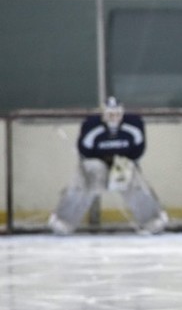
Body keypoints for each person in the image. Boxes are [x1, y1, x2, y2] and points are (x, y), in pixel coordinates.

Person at [48, 96, 169, 235]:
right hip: (95, 164)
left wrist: (122, 164)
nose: (113, 118)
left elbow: (138, 151)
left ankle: (152, 221)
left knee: (135, 184)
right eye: (110, 114)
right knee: (82, 184)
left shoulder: (134, 125)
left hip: (122, 163)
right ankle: (64, 222)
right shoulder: (91, 125)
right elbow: (85, 153)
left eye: (117, 114)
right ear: (103, 114)